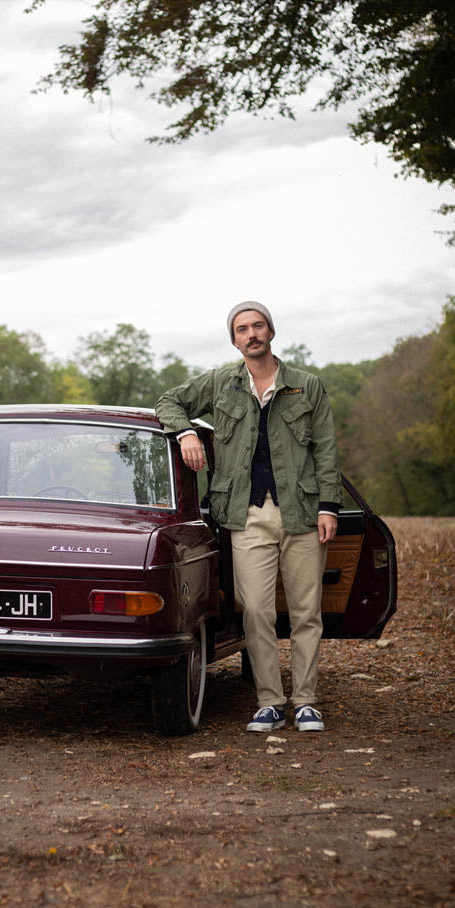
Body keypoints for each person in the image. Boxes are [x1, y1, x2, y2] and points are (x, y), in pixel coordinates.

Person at [155, 301, 342, 733]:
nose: (251, 334)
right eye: (242, 329)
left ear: (271, 332)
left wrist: (329, 506)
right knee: (256, 611)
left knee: (305, 611)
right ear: (234, 339)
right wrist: (186, 432)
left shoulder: (307, 386)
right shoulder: (222, 382)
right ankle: (270, 702)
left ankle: (307, 701)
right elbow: (170, 401)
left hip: (302, 512)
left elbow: (326, 449)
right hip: (245, 513)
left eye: (258, 326)